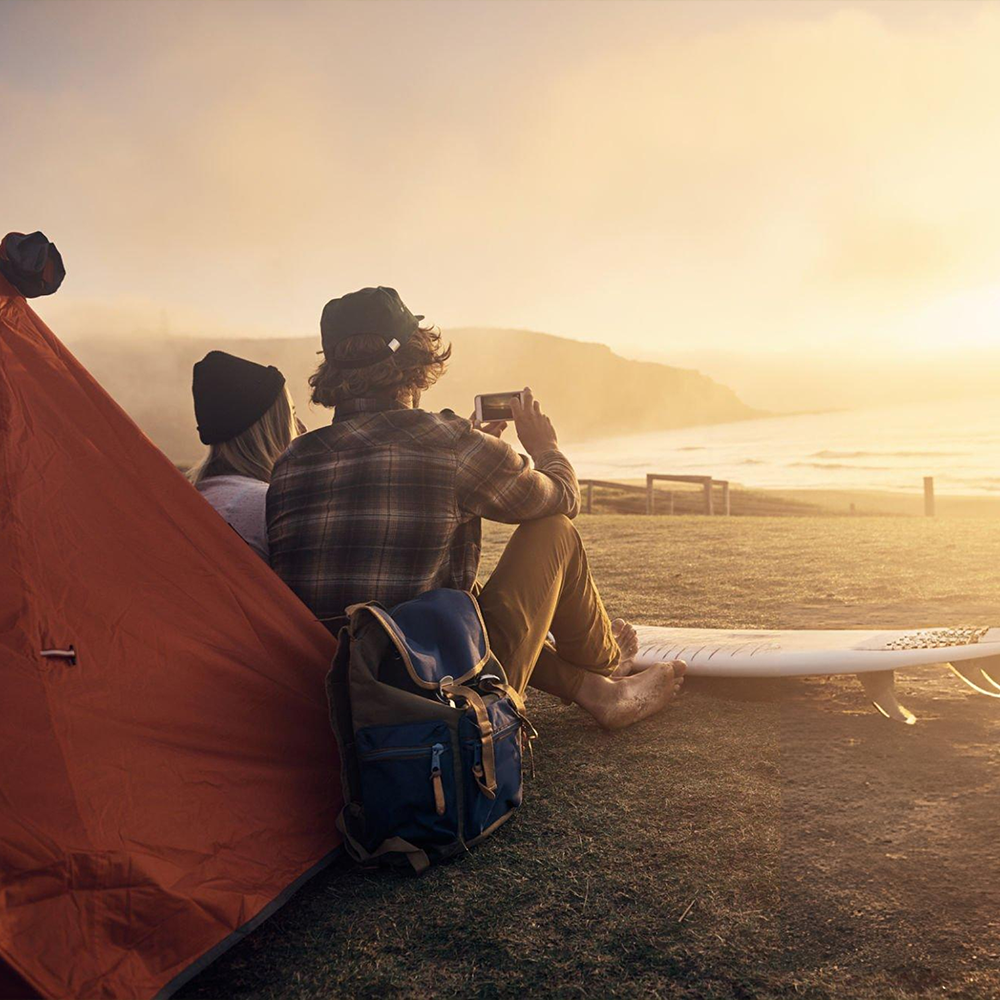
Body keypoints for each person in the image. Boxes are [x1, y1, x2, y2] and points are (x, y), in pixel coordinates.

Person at [267, 287, 684, 729]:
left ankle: (594, 691)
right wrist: (546, 449)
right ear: (416, 358)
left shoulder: (292, 461)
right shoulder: (449, 443)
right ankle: (608, 663)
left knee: (456, 595)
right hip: (444, 697)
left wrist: (471, 452)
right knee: (553, 531)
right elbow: (562, 496)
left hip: (336, 702)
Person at [189, 350, 299, 560]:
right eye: (291, 416)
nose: (300, 428)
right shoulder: (267, 505)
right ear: (271, 429)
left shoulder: (196, 497)